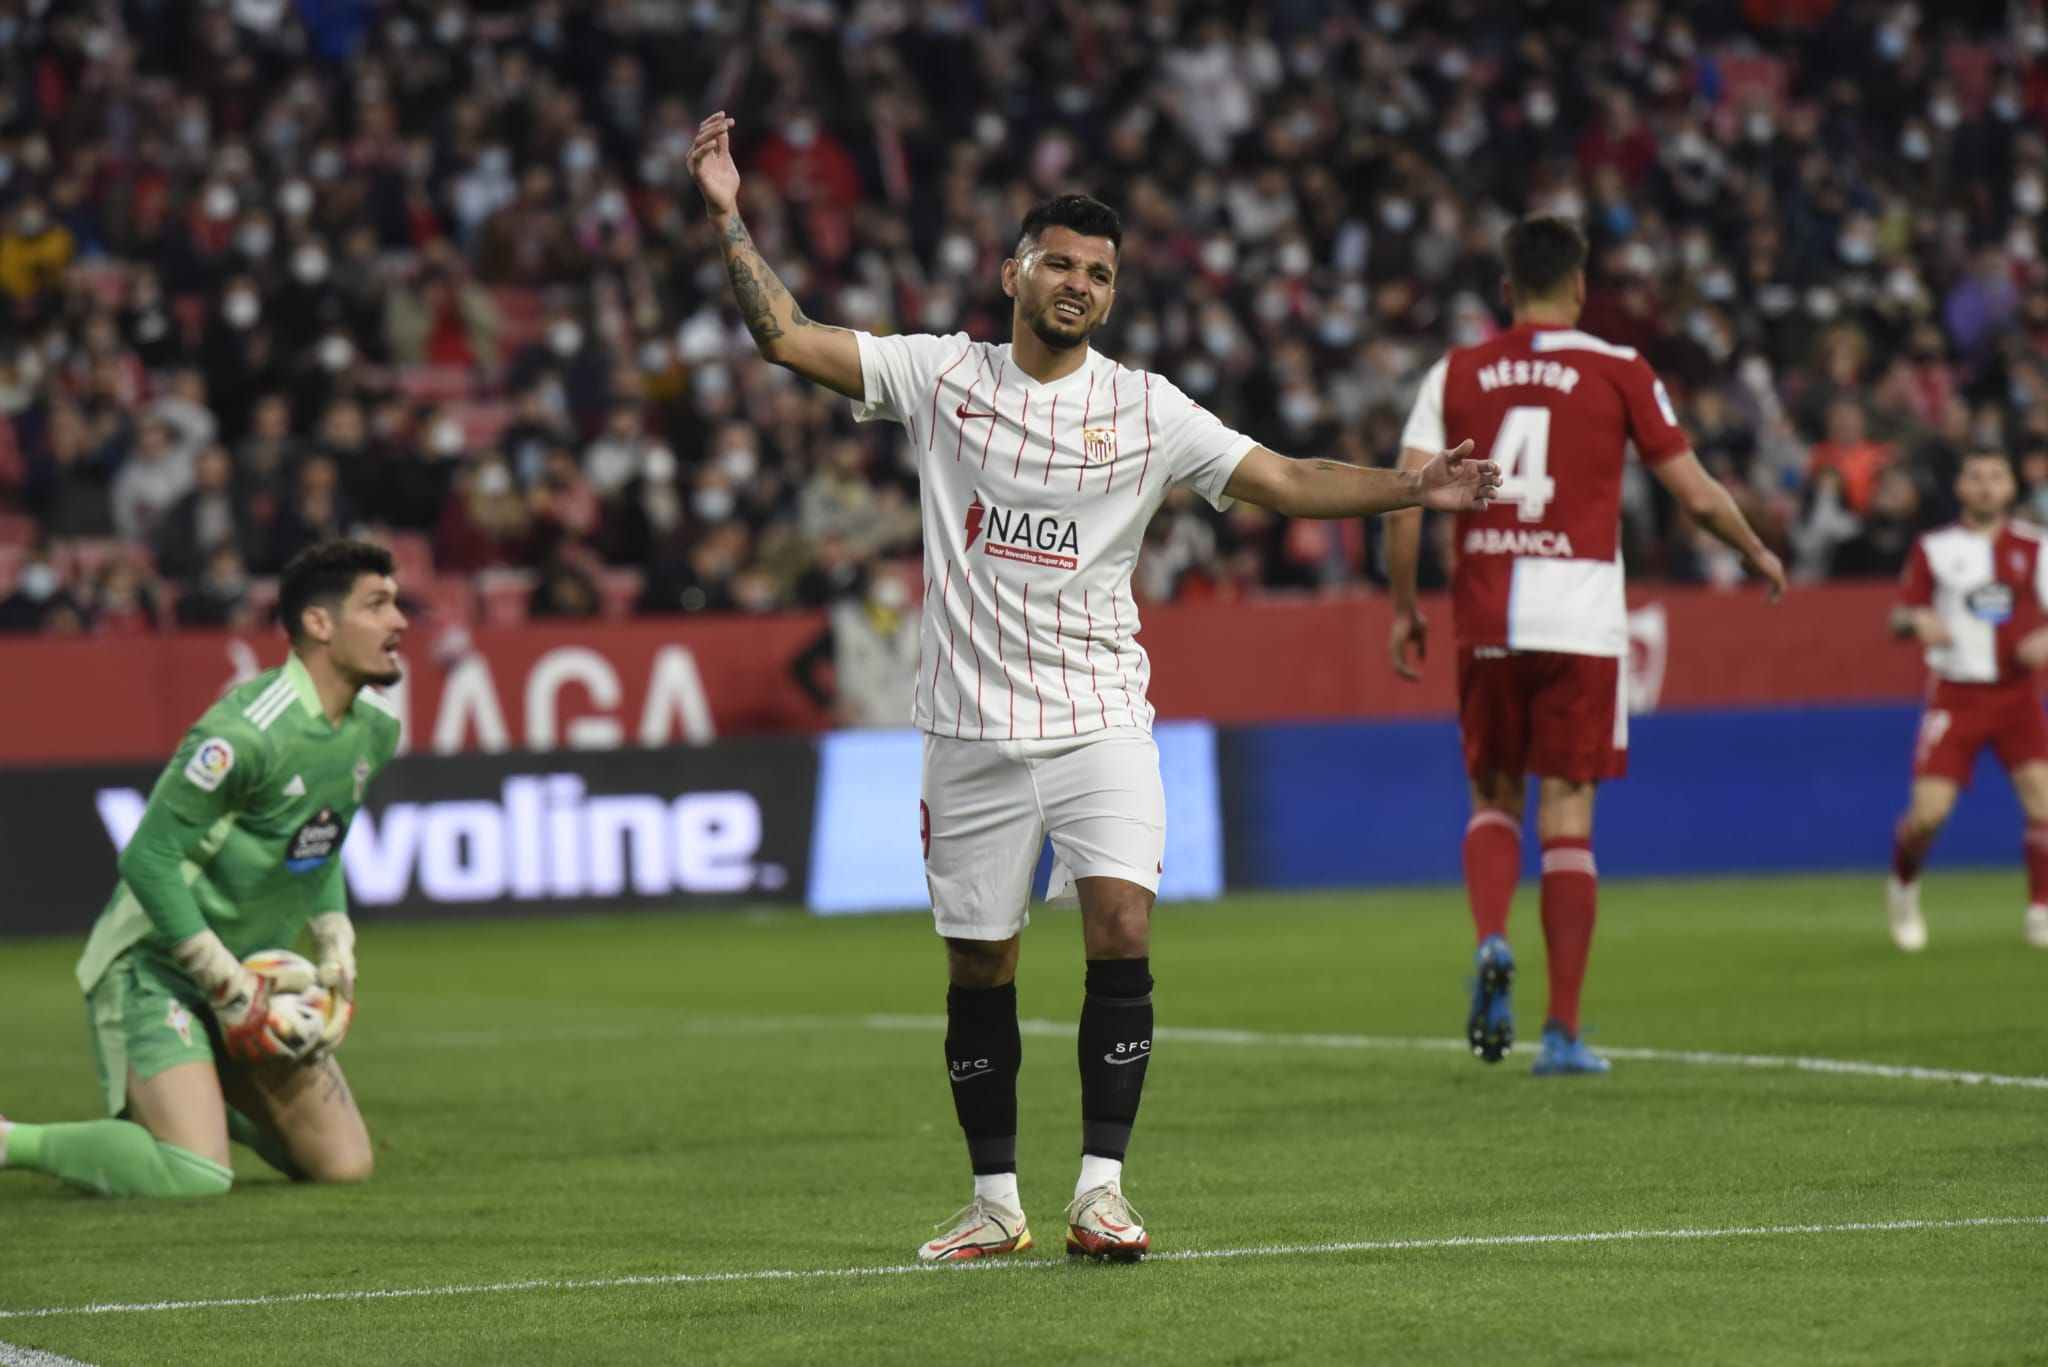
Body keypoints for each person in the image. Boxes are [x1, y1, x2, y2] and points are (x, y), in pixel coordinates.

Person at [689, 113, 1501, 1263]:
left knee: (1121, 922)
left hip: (1098, 718)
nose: (1078, 284)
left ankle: (1102, 1190)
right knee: (982, 960)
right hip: (966, 728)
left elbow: (1282, 477)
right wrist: (728, 217)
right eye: (1060, 263)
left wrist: (1415, 489)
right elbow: (788, 338)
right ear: (1010, 270)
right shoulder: (939, 374)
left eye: (1099, 274)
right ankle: (993, 1200)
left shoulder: (1146, 407)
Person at [1386, 216, 1784, 1077]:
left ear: (1504, 290)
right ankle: (1562, 1034)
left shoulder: (1455, 370)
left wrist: (1403, 605)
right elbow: (1694, 491)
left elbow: (1405, 496)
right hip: (1581, 621)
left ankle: (1492, 938)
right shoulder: (1620, 368)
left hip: (1488, 616)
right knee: (1569, 819)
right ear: (1578, 286)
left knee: (1495, 798)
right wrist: (1752, 548)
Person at [0, 541, 407, 1197]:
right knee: (195, 1175)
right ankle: (13, 1139)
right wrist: (217, 975)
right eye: (378, 603)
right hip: (157, 967)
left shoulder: (373, 731)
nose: (400, 622)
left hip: (252, 981)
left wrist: (333, 932)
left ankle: (200, 1097)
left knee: (343, 1163)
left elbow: (318, 843)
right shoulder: (244, 735)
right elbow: (148, 857)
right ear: (320, 624)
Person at [1887, 449, 2048, 952]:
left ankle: (2040, 910)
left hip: (2018, 693)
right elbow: (1897, 617)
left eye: (1995, 477)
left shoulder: (2037, 547)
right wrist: (1916, 621)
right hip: (1956, 695)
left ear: (2010, 489)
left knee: (2043, 799)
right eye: (1975, 476)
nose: (1985, 486)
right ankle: (1904, 884)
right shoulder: (1934, 547)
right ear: (1959, 487)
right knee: (1929, 814)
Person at [790, 561, 921, 727]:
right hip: (862, 728)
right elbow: (801, 666)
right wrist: (828, 703)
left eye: (896, 576)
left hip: (909, 729)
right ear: (869, 584)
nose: (891, 583)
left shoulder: (917, 623)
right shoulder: (846, 624)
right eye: (884, 577)